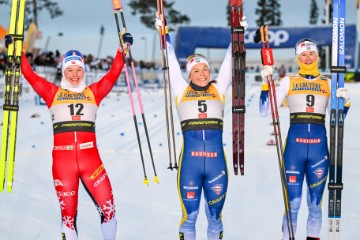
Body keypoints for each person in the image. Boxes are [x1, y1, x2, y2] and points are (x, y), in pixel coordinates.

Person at [5, 33, 133, 240]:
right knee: (68, 218)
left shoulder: (94, 92)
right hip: (63, 163)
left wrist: (122, 50)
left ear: (84, 70)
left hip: (91, 161)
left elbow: (113, 73)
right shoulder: (51, 93)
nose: (75, 74)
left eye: (79, 69)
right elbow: (29, 74)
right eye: (70, 70)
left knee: (109, 210)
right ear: (64, 70)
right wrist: (16, 51)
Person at [155, 15, 248, 240]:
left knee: (215, 218)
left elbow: (230, 58)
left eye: (205, 69)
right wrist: (163, 33)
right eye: (196, 70)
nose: (202, 73)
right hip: (190, 165)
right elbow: (170, 61)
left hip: (216, 164)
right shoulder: (181, 89)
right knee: (190, 217)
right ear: (189, 75)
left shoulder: (219, 88)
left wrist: (238, 34)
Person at [259, 38, 351, 240]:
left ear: (317, 56)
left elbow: (338, 119)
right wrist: (266, 86)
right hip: (294, 150)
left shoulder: (328, 82)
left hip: (319, 151)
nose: (308, 58)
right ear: (297, 57)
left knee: (315, 205)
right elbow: (266, 111)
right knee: (292, 204)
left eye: (311, 54)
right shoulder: (288, 81)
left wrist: (345, 103)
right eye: (303, 54)